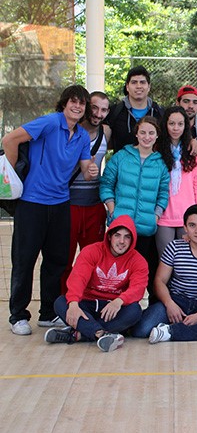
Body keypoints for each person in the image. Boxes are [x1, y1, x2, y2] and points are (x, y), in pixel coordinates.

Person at [3, 85, 99, 335]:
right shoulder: (48, 122)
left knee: (56, 261)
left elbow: (86, 166)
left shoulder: (80, 136)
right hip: (31, 203)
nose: (77, 107)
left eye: (82, 104)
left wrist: (91, 171)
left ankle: (48, 313)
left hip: (60, 204)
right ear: (64, 103)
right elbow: (9, 139)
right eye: (73, 102)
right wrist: (12, 176)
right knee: (24, 261)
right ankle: (18, 316)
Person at [132, 204, 197, 343]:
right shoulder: (174, 247)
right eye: (192, 225)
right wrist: (169, 304)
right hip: (176, 301)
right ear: (185, 227)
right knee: (141, 329)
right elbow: (159, 281)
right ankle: (184, 329)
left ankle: (170, 331)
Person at [44, 215, 148, 352]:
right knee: (61, 302)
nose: (122, 241)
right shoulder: (91, 251)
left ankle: (78, 334)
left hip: (113, 307)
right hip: (88, 303)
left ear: (132, 240)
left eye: (127, 237)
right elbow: (78, 278)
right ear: (109, 236)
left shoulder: (138, 261)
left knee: (134, 311)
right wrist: (74, 303)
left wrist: (119, 301)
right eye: (117, 235)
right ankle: (100, 334)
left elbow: (138, 288)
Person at [100, 115, 170, 304]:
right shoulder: (121, 157)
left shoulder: (160, 163)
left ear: (157, 136)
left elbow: (164, 193)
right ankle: (114, 306)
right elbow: (106, 183)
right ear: (136, 134)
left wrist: (156, 215)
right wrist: (112, 209)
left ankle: (154, 309)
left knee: (148, 269)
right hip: (122, 227)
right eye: (143, 132)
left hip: (147, 228)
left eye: (151, 133)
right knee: (119, 270)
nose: (147, 137)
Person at [60, 91, 113, 294]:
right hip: (68, 203)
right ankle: (64, 303)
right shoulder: (72, 129)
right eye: (94, 107)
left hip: (94, 204)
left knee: (93, 259)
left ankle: (90, 300)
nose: (98, 113)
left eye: (104, 109)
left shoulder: (106, 132)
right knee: (64, 258)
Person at [155, 106, 197, 256]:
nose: (176, 128)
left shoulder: (192, 150)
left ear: (186, 126)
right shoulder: (156, 149)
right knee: (165, 261)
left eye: (180, 124)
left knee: (185, 262)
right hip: (164, 215)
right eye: (171, 124)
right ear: (165, 124)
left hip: (187, 216)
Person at [106, 65, 164, 152]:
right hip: (122, 164)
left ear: (149, 87)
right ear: (127, 87)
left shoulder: (159, 112)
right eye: (134, 82)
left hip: (152, 164)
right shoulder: (114, 112)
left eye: (142, 82)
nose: (138, 86)